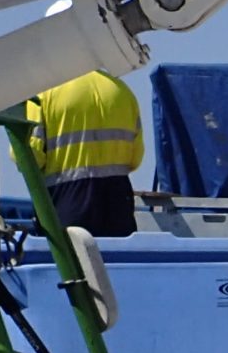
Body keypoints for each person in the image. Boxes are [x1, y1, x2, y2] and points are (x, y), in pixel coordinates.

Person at [28, 68, 144, 237]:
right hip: (117, 201)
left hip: (66, 200)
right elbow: (135, 159)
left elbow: (29, 157)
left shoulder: (42, 95)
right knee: (114, 260)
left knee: (70, 260)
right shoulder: (122, 91)